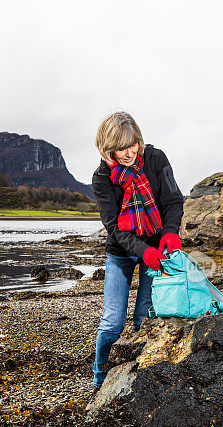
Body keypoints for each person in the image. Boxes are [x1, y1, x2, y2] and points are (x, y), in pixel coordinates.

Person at [90, 111, 185, 395]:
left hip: (155, 248)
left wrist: (170, 232)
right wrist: (143, 252)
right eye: (121, 147)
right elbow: (113, 228)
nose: (129, 152)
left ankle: (140, 376)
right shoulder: (102, 178)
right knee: (112, 321)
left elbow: (173, 200)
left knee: (144, 317)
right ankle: (99, 379)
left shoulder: (156, 159)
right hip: (121, 253)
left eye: (133, 144)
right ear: (108, 149)